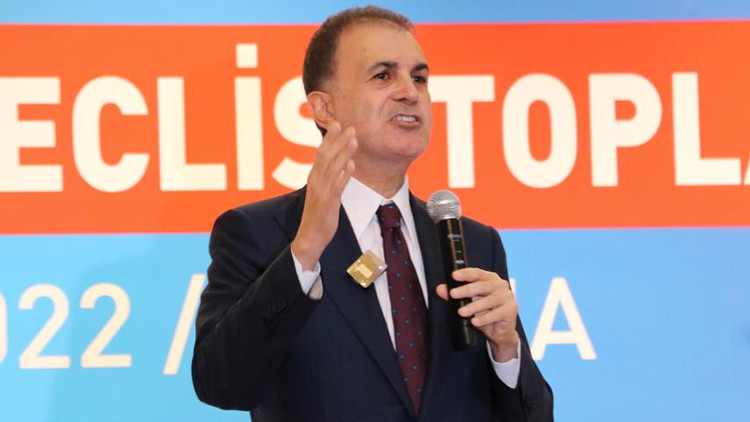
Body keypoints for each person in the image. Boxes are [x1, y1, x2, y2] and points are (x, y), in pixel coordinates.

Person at [192, 6, 553, 421]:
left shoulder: (471, 242)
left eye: (419, 78)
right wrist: (305, 251)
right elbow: (220, 384)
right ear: (324, 109)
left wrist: (506, 349)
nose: (410, 92)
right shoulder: (262, 233)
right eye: (383, 76)